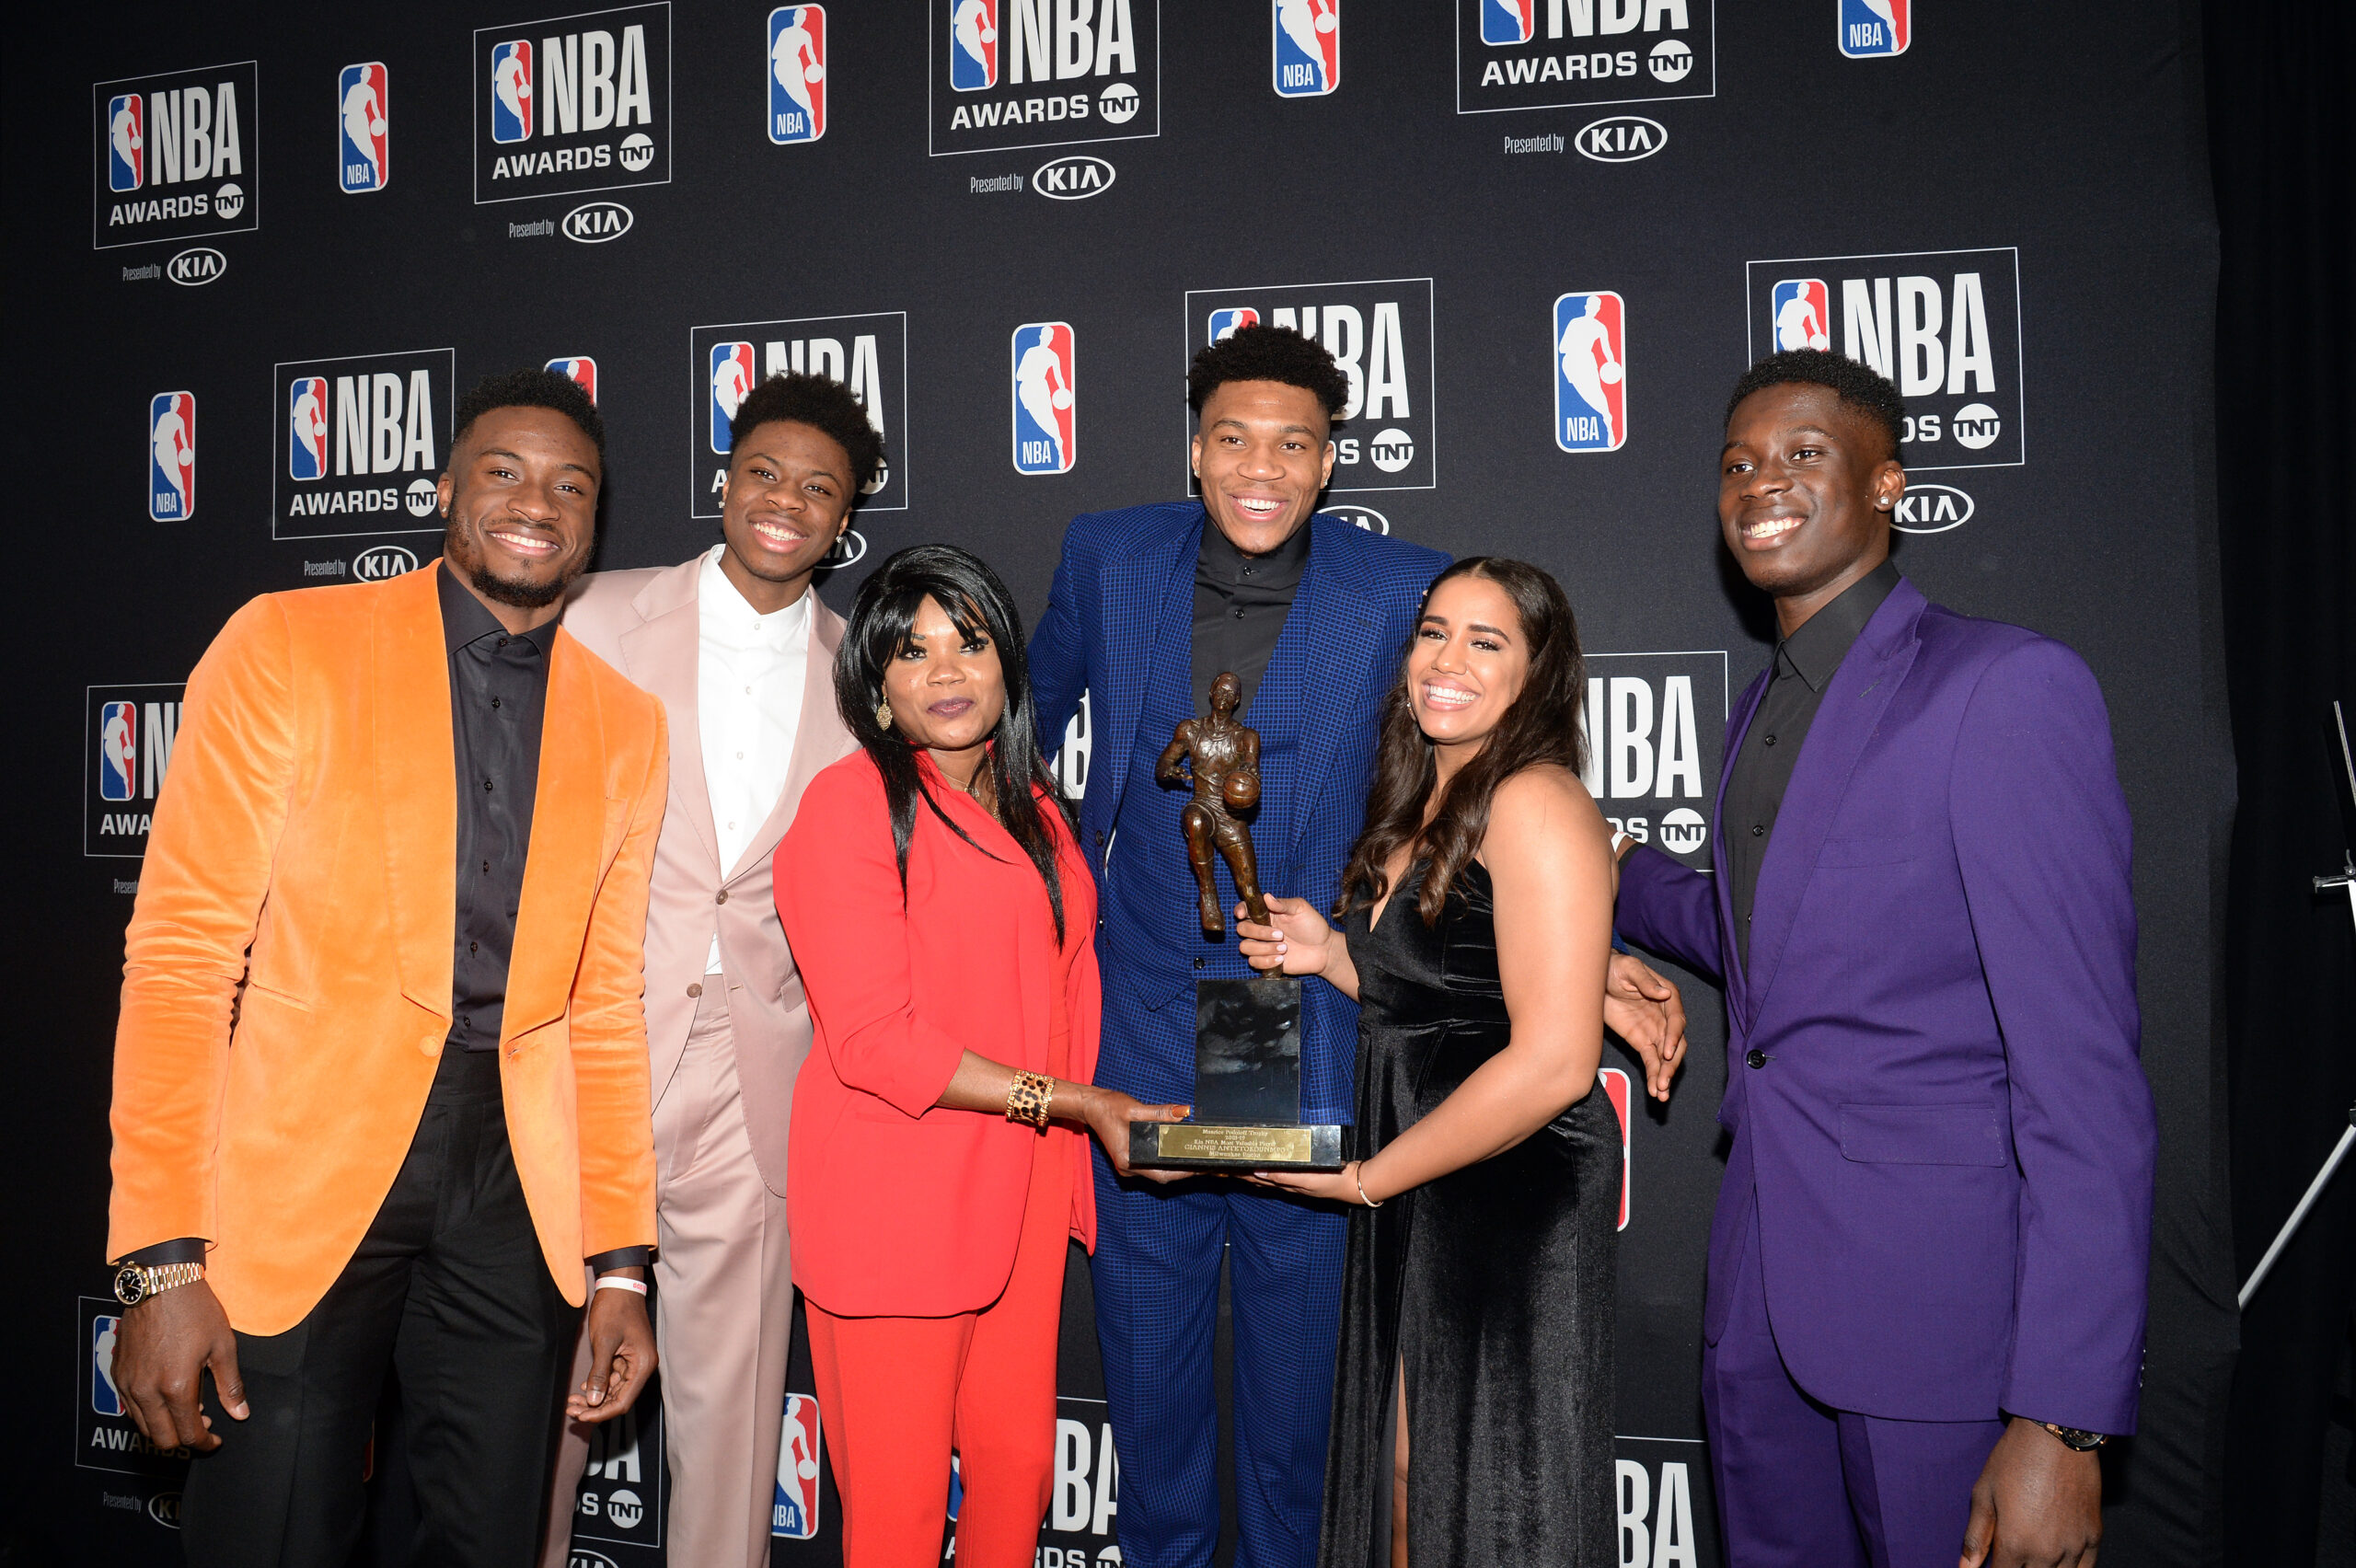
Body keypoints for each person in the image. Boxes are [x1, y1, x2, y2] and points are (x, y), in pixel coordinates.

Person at [1027, 323, 1687, 1568]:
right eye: (1232, 438)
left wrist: (1582, 952)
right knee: (1152, 1390)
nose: (1259, 467)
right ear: (1194, 448)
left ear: (1331, 461)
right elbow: (1016, 757)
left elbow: (1491, 780)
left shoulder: (1404, 592)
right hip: (1148, 1008)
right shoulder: (1107, 557)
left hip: (1314, 1022)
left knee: (1300, 1414)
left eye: (1292, 443)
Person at [103, 368, 666, 1565]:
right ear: (444, 488)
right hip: (306, 1160)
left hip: (516, 1186)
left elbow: (605, 1007)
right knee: (276, 1522)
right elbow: (184, 957)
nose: (538, 502)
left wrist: (621, 1260)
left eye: (573, 485)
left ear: (595, 518)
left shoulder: (628, 722)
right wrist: (159, 1257)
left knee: (489, 1536)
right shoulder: (289, 645)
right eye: (505, 471)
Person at [1612, 349, 2154, 1568]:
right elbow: (1769, 949)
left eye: (1805, 453)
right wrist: (1615, 876)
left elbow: (2085, 1078)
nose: (1764, 481)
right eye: (1739, 461)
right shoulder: (1761, 705)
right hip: (1760, 1304)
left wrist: (2063, 1418)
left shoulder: (2005, 687)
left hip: (1940, 1327)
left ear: (1889, 486)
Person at [776, 545, 1189, 1568]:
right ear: (876, 690)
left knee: (1014, 1483)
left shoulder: (1038, 809)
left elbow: (1066, 988)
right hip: (896, 1206)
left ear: (1007, 662)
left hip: (1018, 1204)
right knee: (901, 1520)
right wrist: (1080, 1103)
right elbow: (875, 1042)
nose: (947, 671)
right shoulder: (851, 807)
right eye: (912, 653)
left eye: (967, 642)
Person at [540, 372, 874, 1568]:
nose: (786, 501)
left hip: (758, 1084)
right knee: (540, 1416)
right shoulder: (592, 615)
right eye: (766, 473)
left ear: (847, 520)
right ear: (724, 481)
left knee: (731, 1427)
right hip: (587, 1063)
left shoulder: (863, 681)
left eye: (819, 488)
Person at [1240, 558, 1623, 1568]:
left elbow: (1552, 1062)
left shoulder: (1534, 801)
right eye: (1434, 633)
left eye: (1485, 642)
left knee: (1490, 1489)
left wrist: (1364, 1180)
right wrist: (1328, 954)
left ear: (1537, 675)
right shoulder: (1425, 796)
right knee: (1412, 1478)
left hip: (1508, 1183)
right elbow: (1443, 1003)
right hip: (1424, 1165)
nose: (1445, 661)